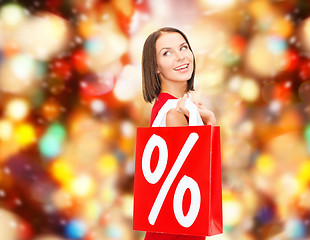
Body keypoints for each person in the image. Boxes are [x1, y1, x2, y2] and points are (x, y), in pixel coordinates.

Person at [141, 27, 216, 240]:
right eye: (167, 53)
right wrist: (209, 123)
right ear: (155, 67)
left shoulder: (164, 106)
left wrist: (205, 121)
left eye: (183, 48)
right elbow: (196, 182)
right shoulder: (174, 113)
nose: (180, 56)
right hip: (177, 232)